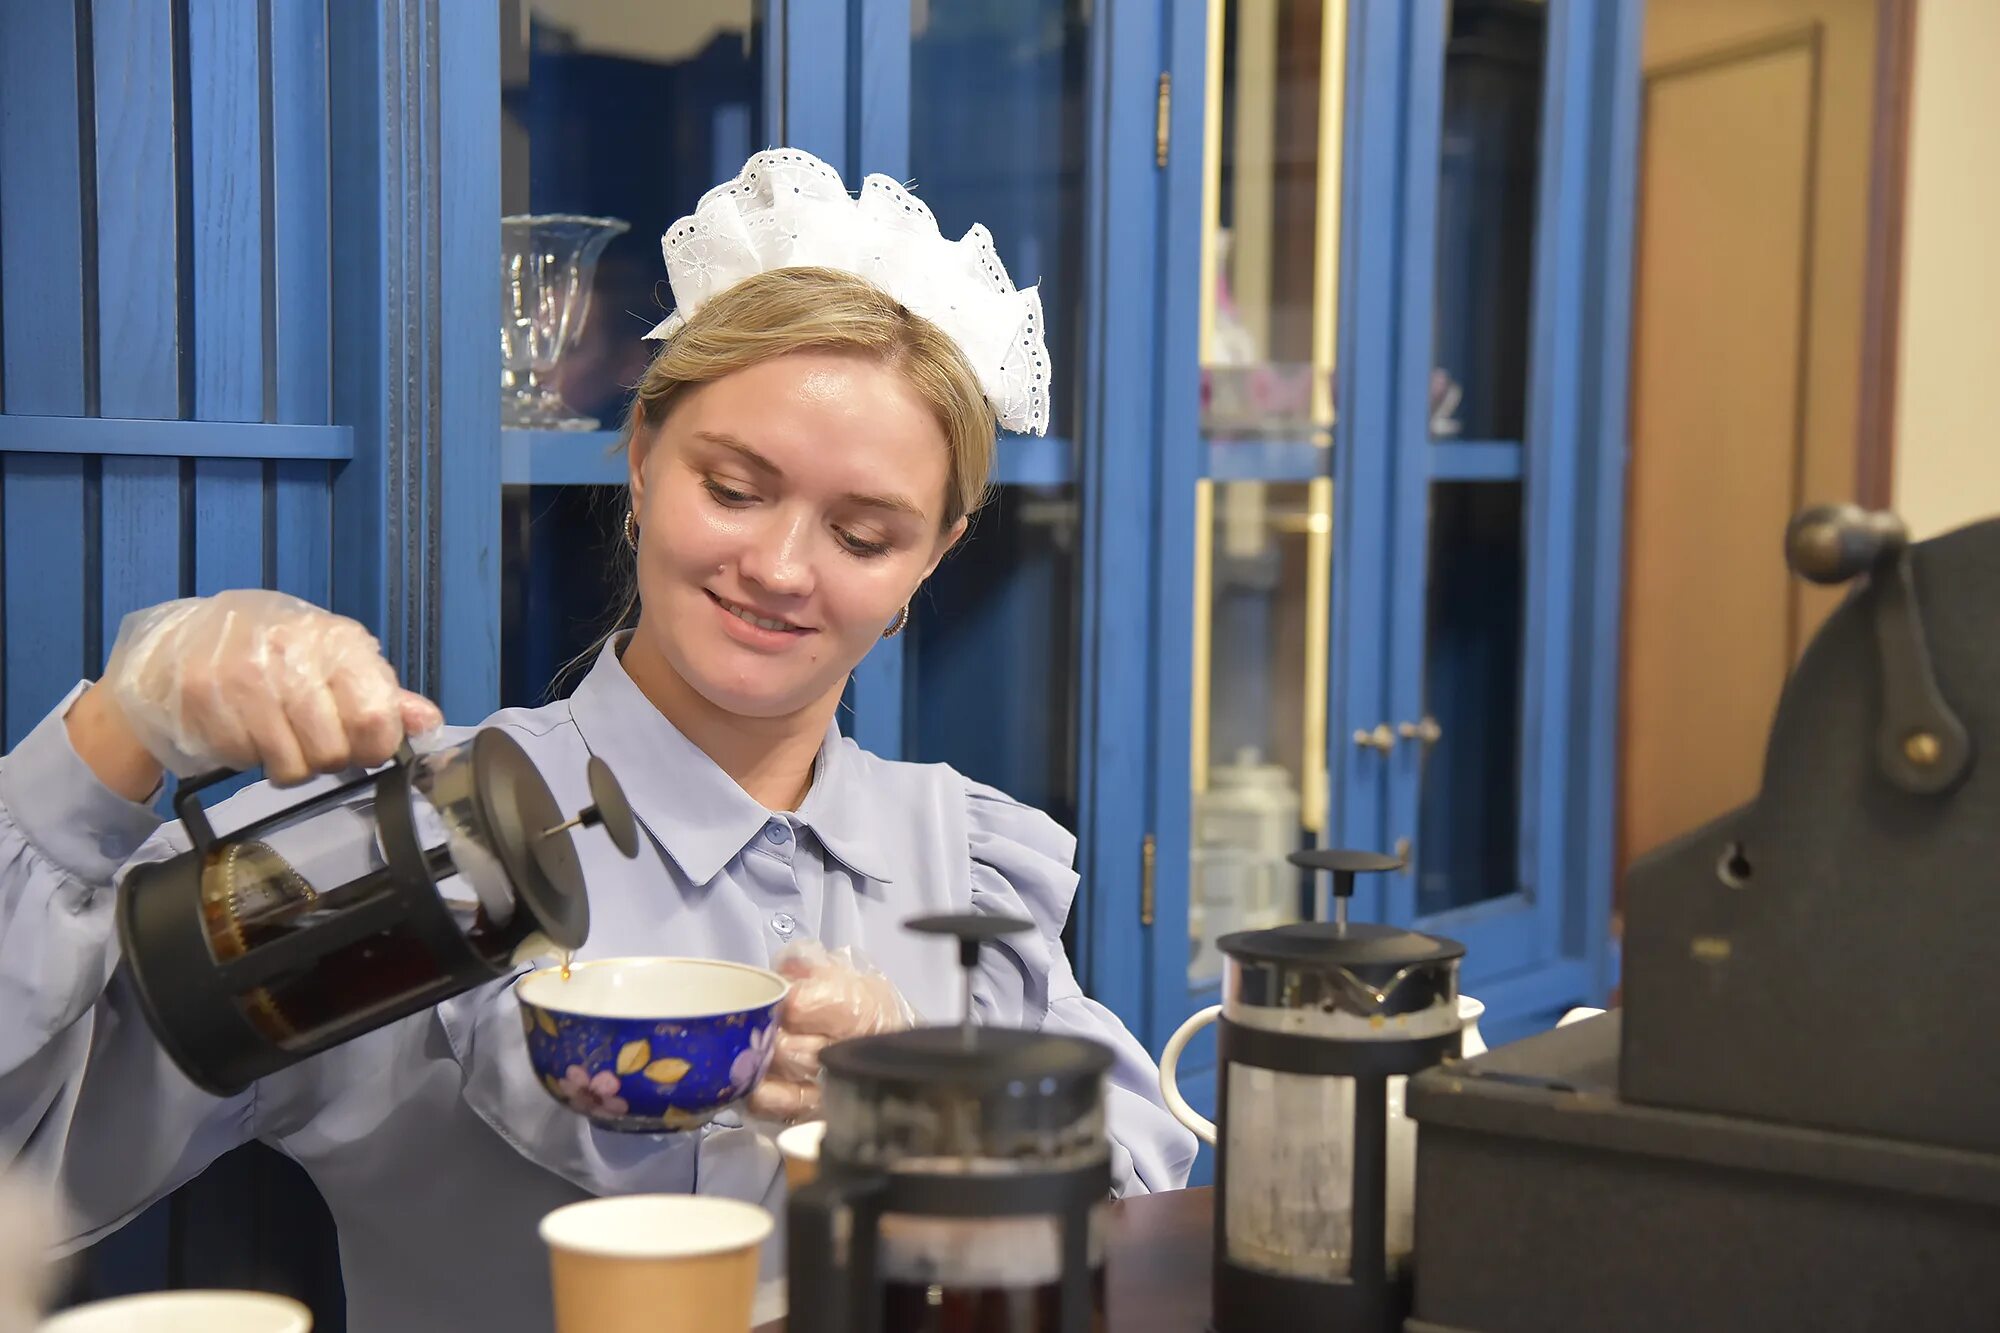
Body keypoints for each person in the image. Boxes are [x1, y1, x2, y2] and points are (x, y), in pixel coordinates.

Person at [0, 149, 1196, 1332]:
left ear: (932, 556)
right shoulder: (408, 845)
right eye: (733, 488)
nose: (779, 569)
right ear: (638, 460)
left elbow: (1130, 1223)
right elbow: (31, 1159)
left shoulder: (962, 863)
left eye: (865, 532)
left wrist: (943, 1104)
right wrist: (117, 730)